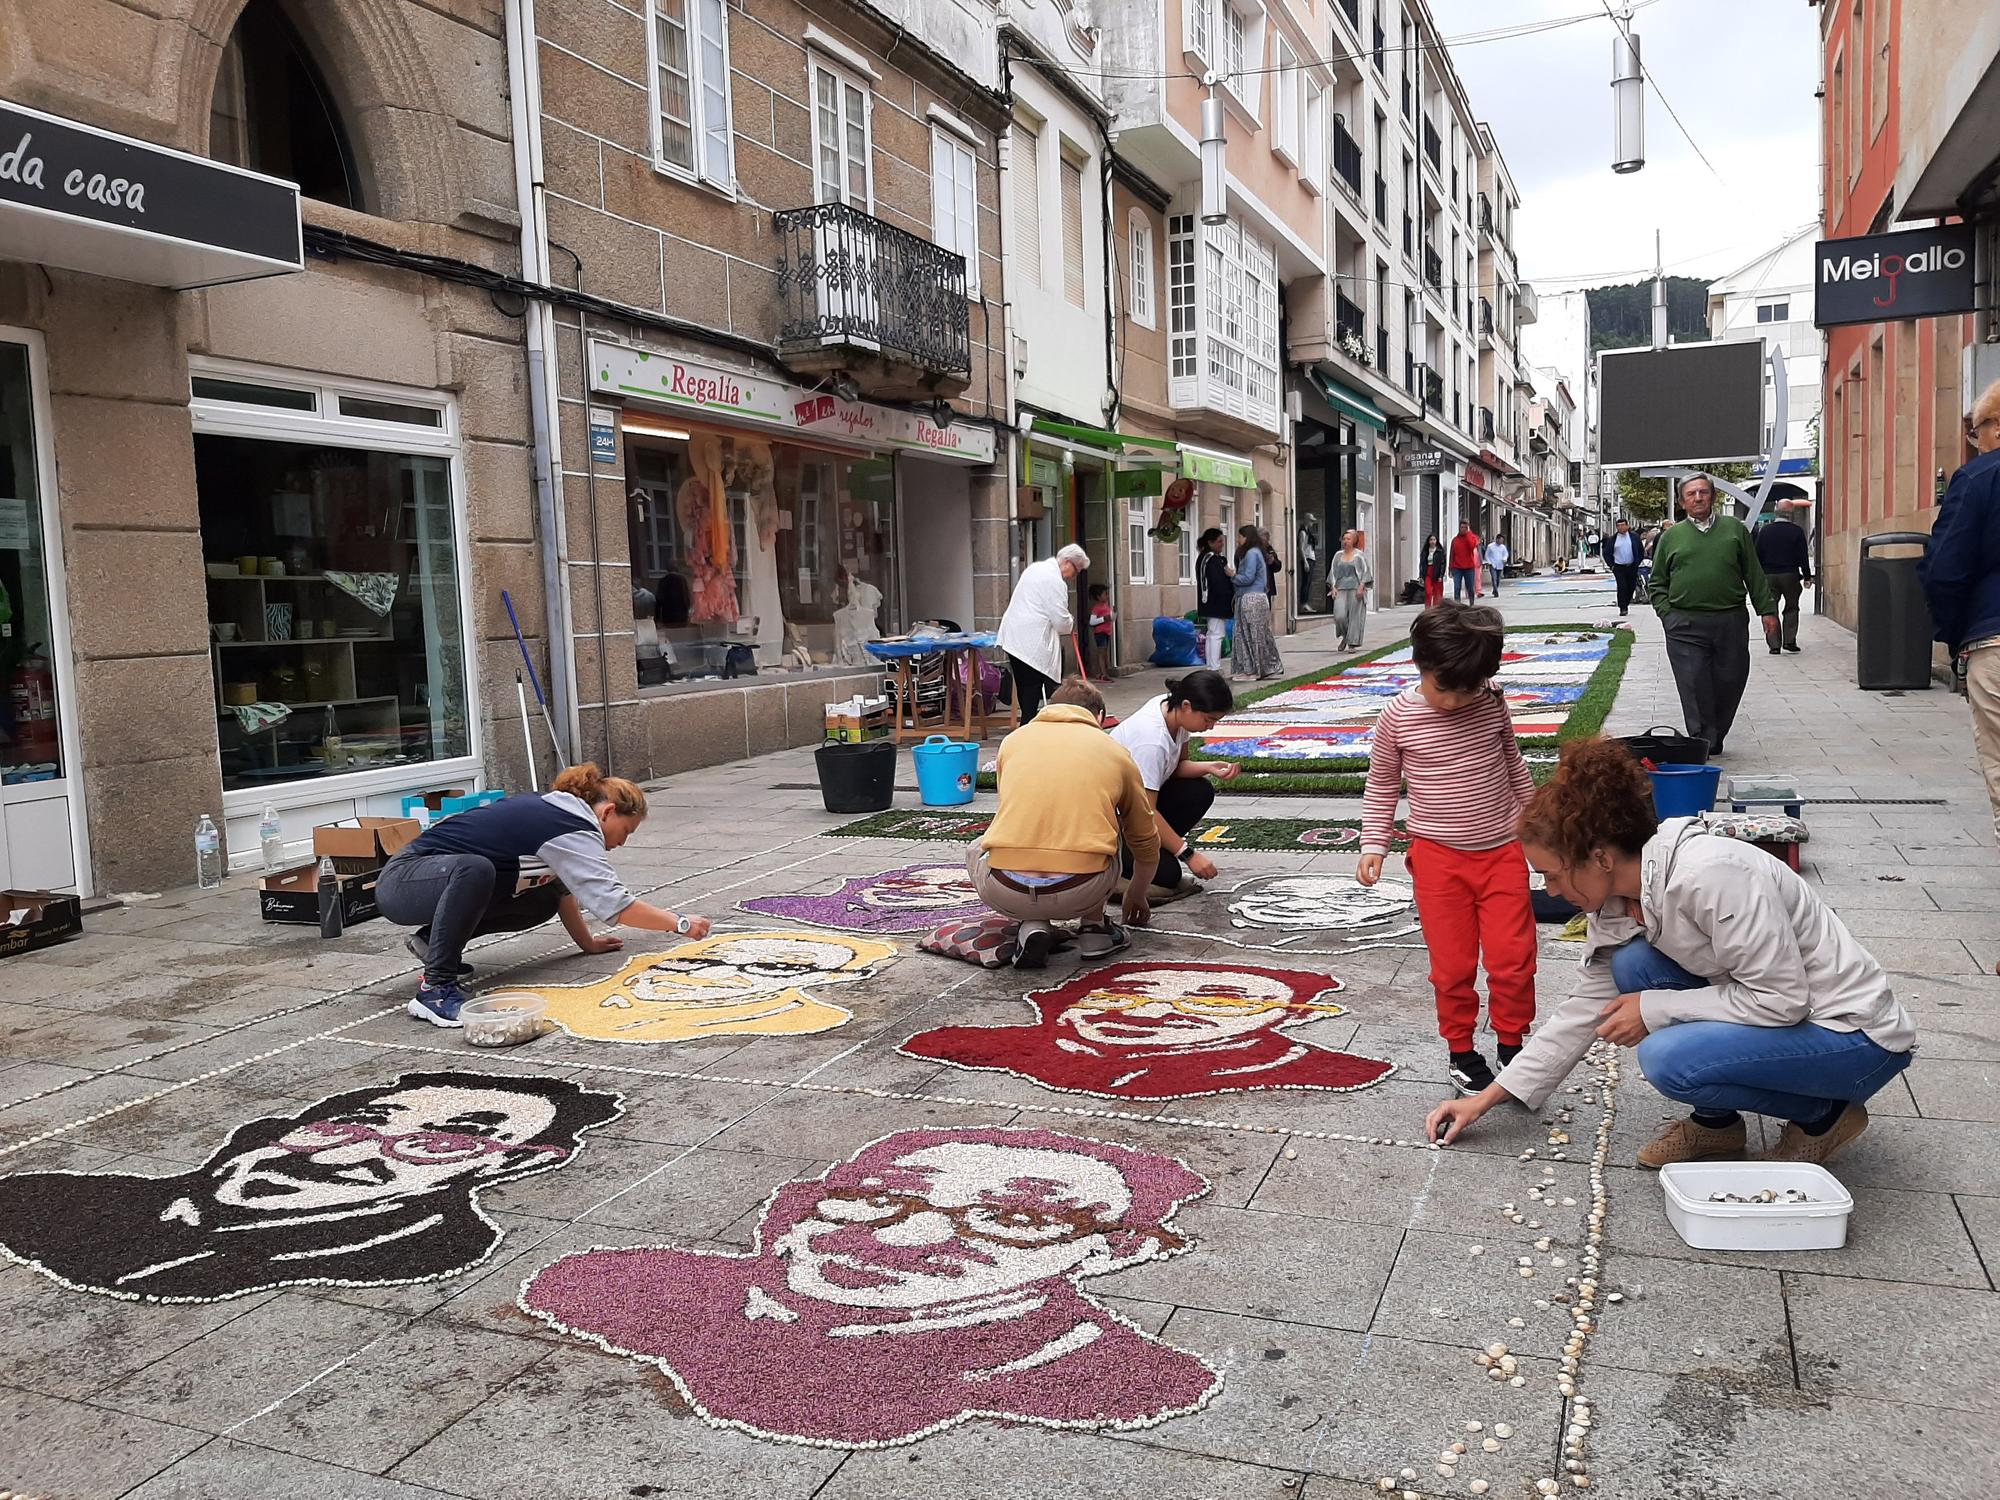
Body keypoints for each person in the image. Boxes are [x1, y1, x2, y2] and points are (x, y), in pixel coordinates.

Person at [519, 1126, 1220, 1447]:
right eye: (877, 1199)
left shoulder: (1122, 1377)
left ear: (1109, 1253)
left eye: (1009, 1218)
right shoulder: (623, 1284)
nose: (900, 1237)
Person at [1426, 739, 1917, 1167]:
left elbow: (1781, 1000)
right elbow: (1583, 1012)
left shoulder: (1713, 876)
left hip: (1854, 1039)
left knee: (1667, 1056)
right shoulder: (1620, 900)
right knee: (1632, 967)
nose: (1550, 892)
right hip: (1791, 1013)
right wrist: (1486, 1100)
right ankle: (1717, 1126)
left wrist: (1656, 1009)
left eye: (1552, 874)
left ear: (1599, 857)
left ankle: (1824, 1114)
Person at [0, 1072, 623, 1300]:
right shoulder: (41, 1201)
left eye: (440, 1141)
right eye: (352, 1123)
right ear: (269, 1130)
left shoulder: (399, 1250)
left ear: (497, 1167)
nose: (354, 1149)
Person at [1357, 603, 1537, 1096]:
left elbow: (1512, 762)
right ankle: (1461, 1049)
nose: (1457, 702)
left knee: (1513, 958)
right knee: (1453, 965)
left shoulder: (1490, 699)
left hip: (1502, 850)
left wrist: (1541, 821)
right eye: (1445, 688)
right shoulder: (1398, 716)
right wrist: (1374, 841)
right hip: (1439, 859)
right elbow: (1382, 785)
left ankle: (1511, 1042)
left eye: (1467, 689)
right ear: (1419, 664)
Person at [376, 763, 712, 1027]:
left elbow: (563, 890)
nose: (623, 842)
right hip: (403, 882)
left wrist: (588, 943)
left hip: (431, 880)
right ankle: (434, 989)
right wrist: (679, 923)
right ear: (608, 812)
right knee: (475, 870)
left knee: (541, 900)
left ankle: (432, 940)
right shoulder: (572, 824)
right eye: (626, 831)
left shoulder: (561, 815)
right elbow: (615, 904)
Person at [901, 962, 1394, 1100]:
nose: (1156, 1009)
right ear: (1063, 1002)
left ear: (1295, 1016)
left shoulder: (1339, 1072)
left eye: (1219, 998)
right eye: (1126, 992)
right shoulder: (973, 1047)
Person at [970, 676, 1158, 967]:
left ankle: (1032, 924)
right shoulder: (1115, 752)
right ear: (1100, 717)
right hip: (1081, 888)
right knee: (1109, 827)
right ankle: (1095, 930)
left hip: (1006, 888)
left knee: (982, 844)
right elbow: (1144, 838)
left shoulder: (1013, 742)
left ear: (1049, 708)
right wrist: (1136, 893)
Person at [1921, 379, 2000, 851]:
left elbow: (1945, 569)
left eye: (1978, 431)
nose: (1977, 441)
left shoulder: (1979, 478)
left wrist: (1955, 635)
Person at [1649, 474, 1778, 758]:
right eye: (1692, 494)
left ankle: (1716, 733)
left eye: (1704, 492)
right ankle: (1702, 740)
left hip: (1729, 621)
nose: (1698, 498)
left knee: (1731, 679)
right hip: (1684, 625)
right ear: (1682, 502)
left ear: (1713, 497)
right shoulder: (1671, 537)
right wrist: (1667, 615)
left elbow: (1753, 573)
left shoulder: (1734, 530)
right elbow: (1656, 582)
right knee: (1694, 683)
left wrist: (1767, 610)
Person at [1110, 669, 1240, 903]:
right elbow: (1145, 812)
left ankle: (1149, 852)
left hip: (1135, 808)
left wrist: (1209, 767)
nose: (1210, 727)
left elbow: (1177, 767)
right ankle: (1117, 867)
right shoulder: (1152, 741)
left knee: (1199, 790)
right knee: (1169, 875)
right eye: (1208, 719)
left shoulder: (1173, 710)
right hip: (1113, 824)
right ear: (1187, 706)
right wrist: (1187, 854)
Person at [998, 543, 1089, 720]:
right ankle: (1032, 726)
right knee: (1032, 690)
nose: (1073, 577)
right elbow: (1061, 621)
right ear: (1068, 563)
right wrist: (1070, 623)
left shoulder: (1036, 569)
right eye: (1076, 571)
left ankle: (1029, 724)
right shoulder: (1054, 580)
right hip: (1030, 643)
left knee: (1025, 690)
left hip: (1014, 639)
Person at [1754, 501, 1813, 654]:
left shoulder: (1765, 531)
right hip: (1790, 575)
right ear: (1791, 512)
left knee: (1770, 609)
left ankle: (1774, 645)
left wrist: (1757, 577)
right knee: (1792, 607)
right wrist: (1807, 576)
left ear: (1776, 511)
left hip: (1769, 576)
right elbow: (1803, 556)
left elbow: (1756, 555)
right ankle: (1789, 641)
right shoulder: (1796, 531)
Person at [1230, 525, 1285, 679]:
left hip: (1251, 598)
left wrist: (1232, 575)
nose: (1237, 540)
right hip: (1252, 597)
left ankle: (1255, 670)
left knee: (1252, 635)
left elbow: (1248, 577)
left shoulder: (1252, 553)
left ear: (1246, 537)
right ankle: (1256, 668)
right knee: (1251, 635)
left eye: (1240, 536)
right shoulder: (1253, 552)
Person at [1195, 527, 1235, 670]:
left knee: (1213, 634)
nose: (1221, 544)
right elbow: (1218, 583)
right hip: (1215, 602)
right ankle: (1214, 667)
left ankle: (1212, 666)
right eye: (1219, 542)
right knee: (1216, 635)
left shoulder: (1207, 558)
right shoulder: (1211, 559)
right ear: (1210, 542)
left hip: (1211, 602)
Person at [1327, 529, 1374, 651]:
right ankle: (1345, 636)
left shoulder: (1359, 555)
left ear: (1354, 541)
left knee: (1354, 617)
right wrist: (1333, 587)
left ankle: (1352, 643)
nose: (1346, 541)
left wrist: (1361, 586)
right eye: (1344, 539)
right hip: (1341, 588)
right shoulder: (1338, 555)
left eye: (1349, 539)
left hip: (1355, 589)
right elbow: (1332, 572)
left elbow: (1366, 571)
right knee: (1339, 616)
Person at [1601, 518, 1642, 617]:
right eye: (1618, 526)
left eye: (1623, 525)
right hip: (1619, 567)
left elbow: (1640, 550)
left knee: (1631, 586)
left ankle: (1626, 602)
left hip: (1632, 566)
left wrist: (1637, 563)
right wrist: (1612, 566)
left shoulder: (1634, 537)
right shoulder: (1613, 539)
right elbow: (1607, 553)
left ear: (1627, 526)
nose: (1621, 527)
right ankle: (1623, 607)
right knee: (1622, 586)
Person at [1448, 520, 1482, 602]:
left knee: (1470, 587)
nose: (1463, 529)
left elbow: (1472, 545)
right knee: (1457, 587)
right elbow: (1452, 554)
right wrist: (1450, 568)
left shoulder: (1472, 537)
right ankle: (1457, 605)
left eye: (1465, 528)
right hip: (1457, 568)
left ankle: (1471, 603)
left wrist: (1468, 534)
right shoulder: (1455, 540)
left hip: (1469, 567)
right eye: (1461, 527)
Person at [1087, 583, 1115, 678]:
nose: (1107, 596)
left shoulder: (1106, 606)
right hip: (1100, 633)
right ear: (1099, 597)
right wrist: (1104, 619)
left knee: (1105, 653)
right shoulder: (1097, 608)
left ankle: (1103, 672)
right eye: (1105, 594)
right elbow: (1092, 622)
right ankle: (1103, 673)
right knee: (1101, 653)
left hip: (1107, 632)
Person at [1420, 532, 1447, 607]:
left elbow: (1443, 564)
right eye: (1431, 540)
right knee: (1428, 592)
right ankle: (1428, 609)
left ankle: (1436, 609)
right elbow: (1422, 564)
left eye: (1434, 539)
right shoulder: (1425, 551)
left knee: (1437, 593)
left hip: (1437, 573)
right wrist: (1421, 575)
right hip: (1428, 573)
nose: (1432, 541)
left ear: (1436, 541)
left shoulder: (1440, 551)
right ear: (1428, 541)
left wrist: (1441, 575)